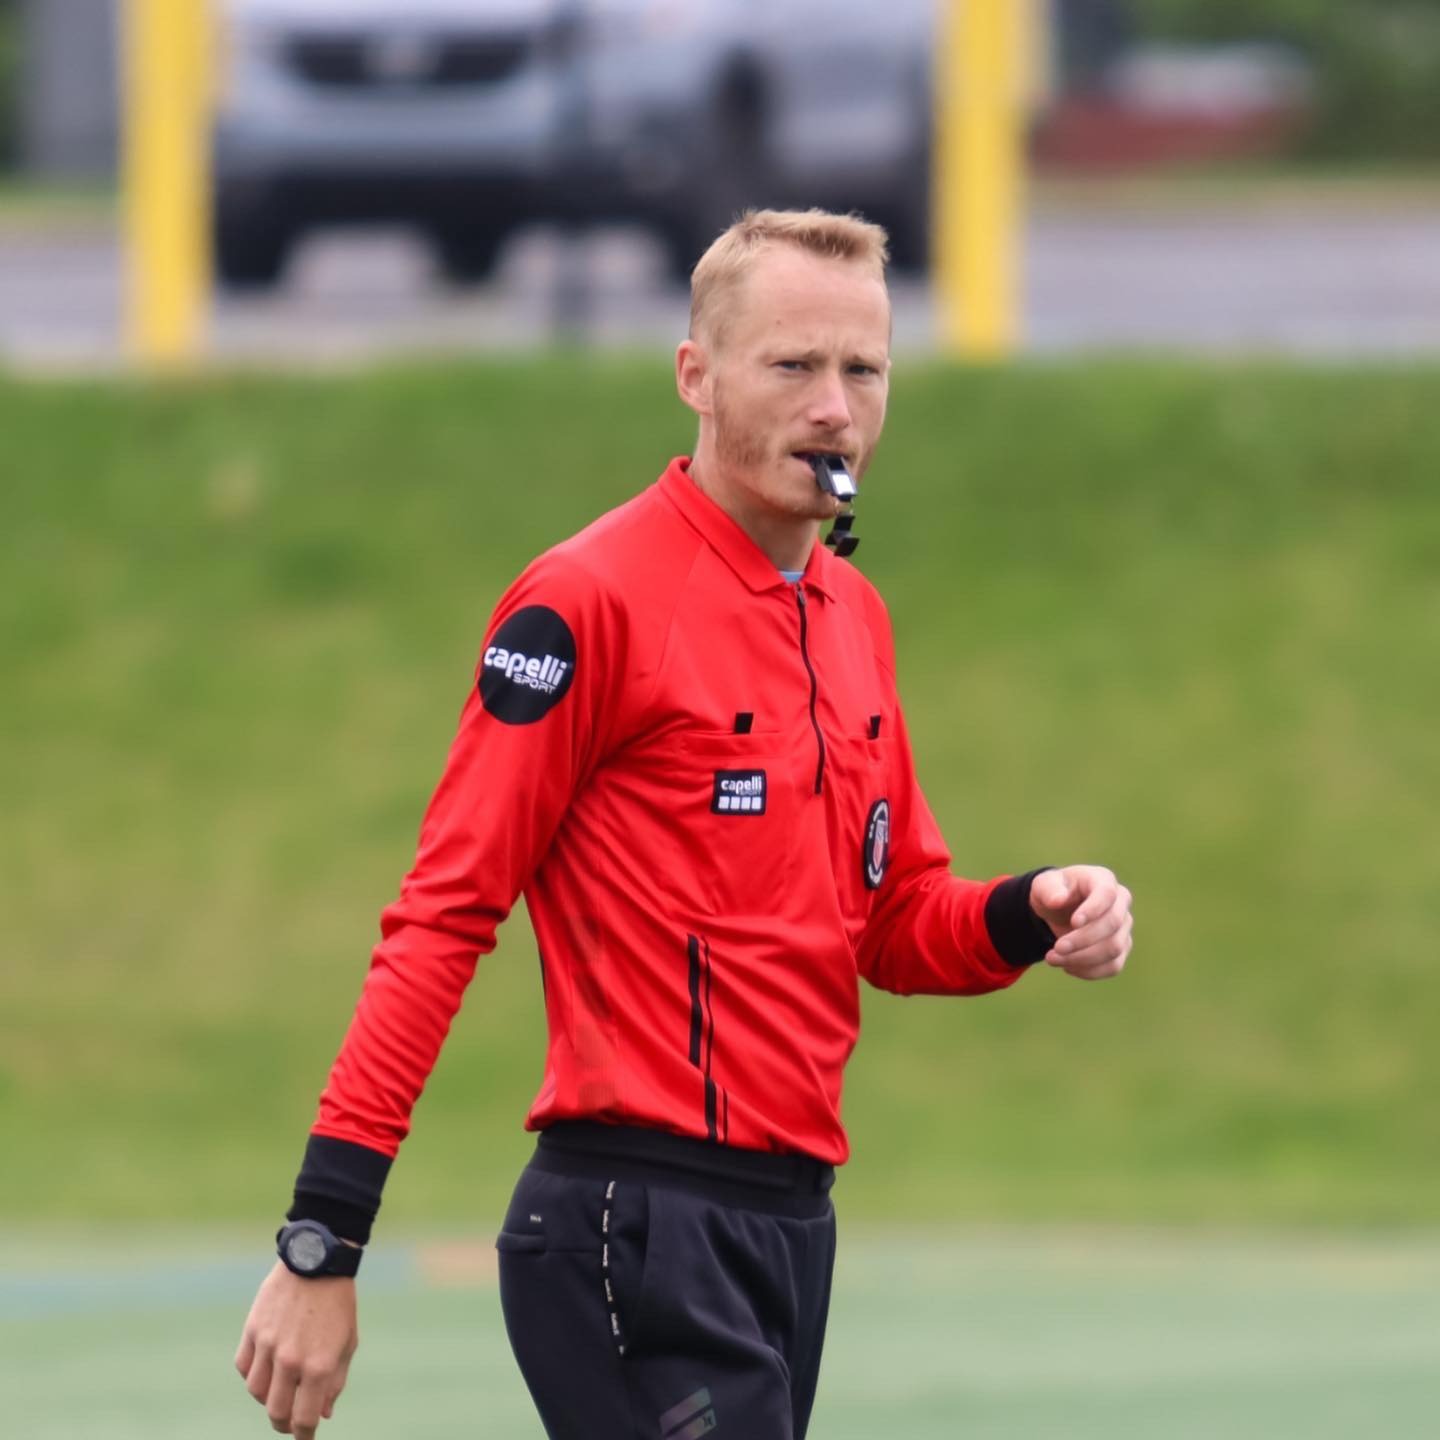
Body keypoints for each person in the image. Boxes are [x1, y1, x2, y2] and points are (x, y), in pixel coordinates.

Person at [235, 208, 1134, 1440]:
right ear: (695, 377)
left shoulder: (853, 616)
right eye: (792, 365)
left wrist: (1033, 911)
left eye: (863, 370)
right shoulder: (585, 602)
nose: (834, 408)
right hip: (629, 1226)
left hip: (790, 1230)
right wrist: (323, 1238)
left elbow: (890, 926)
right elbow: (441, 918)